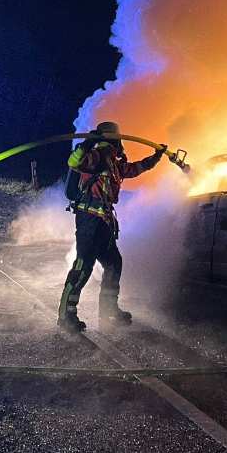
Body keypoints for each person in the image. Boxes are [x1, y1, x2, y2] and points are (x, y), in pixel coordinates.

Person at [57, 121, 165, 334]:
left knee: (114, 263)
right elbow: (74, 162)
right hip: (89, 220)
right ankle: (66, 315)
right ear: (113, 140)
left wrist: (156, 157)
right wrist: (87, 144)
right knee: (83, 266)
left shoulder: (114, 163)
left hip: (104, 222)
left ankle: (108, 311)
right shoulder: (97, 156)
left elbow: (135, 169)